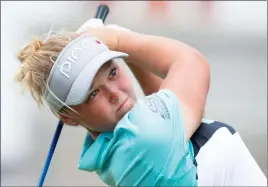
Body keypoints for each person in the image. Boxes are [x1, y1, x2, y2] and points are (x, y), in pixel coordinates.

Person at [15, 20, 266, 186]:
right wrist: (119, 38)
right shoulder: (145, 144)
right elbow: (191, 63)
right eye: (93, 93)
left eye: (112, 71)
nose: (114, 92)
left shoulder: (113, 147)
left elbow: (172, 105)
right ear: (68, 117)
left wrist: (124, 52)